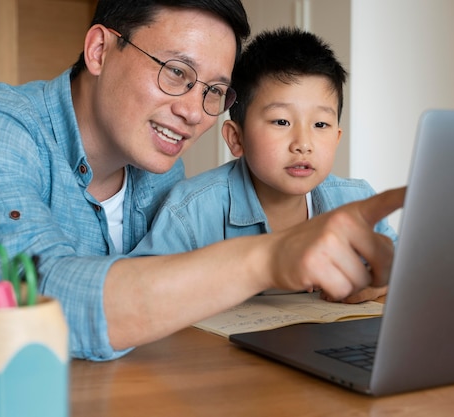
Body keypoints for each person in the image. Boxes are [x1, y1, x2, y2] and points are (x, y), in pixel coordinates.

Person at [0, 0, 405, 361]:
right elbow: (40, 303)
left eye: (214, 91)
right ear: (99, 50)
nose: (194, 112)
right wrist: (268, 258)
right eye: (176, 72)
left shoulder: (159, 171)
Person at [137, 27, 397, 303]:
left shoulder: (357, 200)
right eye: (281, 121)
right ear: (237, 138)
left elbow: (410, 268)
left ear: (336, 138)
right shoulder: (191, 210)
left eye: (320, 124)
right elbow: (140, 294)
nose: (303, 143)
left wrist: (379, 283)